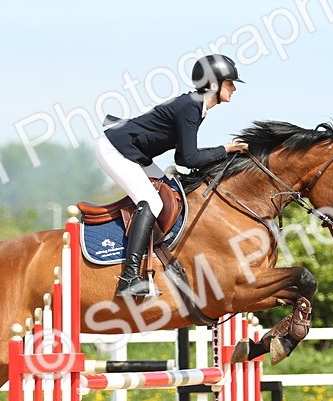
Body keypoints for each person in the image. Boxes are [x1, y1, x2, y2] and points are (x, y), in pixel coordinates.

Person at [96, 54, 249, 298]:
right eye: (230, 83)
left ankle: (161, 255)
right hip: (116, 149)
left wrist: (224, 154)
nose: (233, 88)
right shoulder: (191, 106)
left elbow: (180, 159)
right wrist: (226, 150)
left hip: (135, 153)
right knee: (153, 202)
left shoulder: (197, 107)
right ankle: (129, 278)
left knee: (174, 192)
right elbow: (189, 159)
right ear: (213, 84)